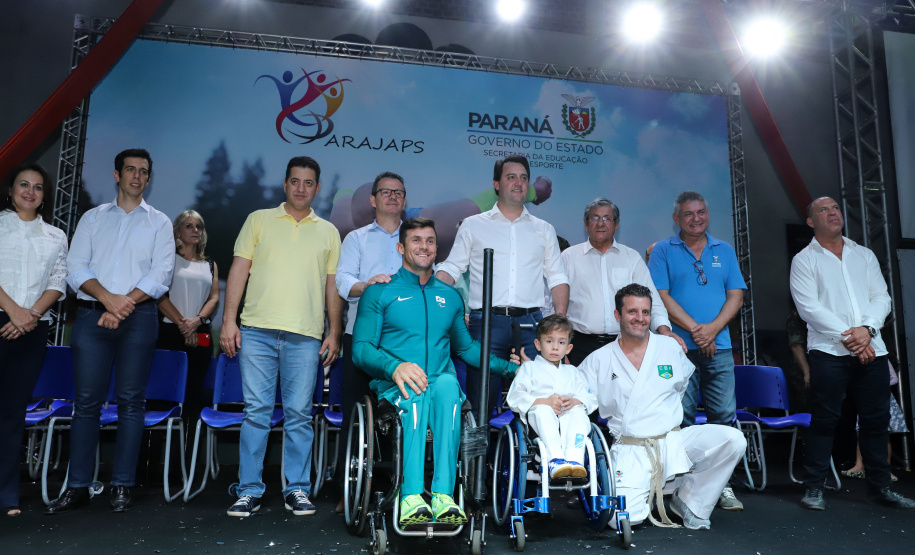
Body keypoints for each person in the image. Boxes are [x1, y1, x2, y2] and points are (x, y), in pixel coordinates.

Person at [353, 217, 518, 527]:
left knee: (446, 387)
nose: (423, 246)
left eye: (429, 240)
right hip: (395, 383)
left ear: (436, 249)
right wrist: (395, 366)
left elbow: (467, 349)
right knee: (415, 390)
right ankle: (411, 496)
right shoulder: (379, 293)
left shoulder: (450, 296)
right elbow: (361, 349)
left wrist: (511, 370)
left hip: (439, 380)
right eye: (416, 240)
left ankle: (443, 495)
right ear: (401, 247)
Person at [49, 149, 175, 514]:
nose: (137, 176)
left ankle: (121, 485)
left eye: (144, 172)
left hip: (139, 319)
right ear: (117, 175)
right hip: (91, 318)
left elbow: (160, 274)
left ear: (148, 179)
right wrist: (108, 300)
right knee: (85, 404)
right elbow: (75, 268)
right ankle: (77, 486)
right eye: (131, 170)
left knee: (131, 402)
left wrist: (122, 306)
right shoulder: (92, 218)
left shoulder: (160, 223)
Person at [220, 156, 342, 518]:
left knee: (300, 415)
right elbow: (238, 272)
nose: (301, 188)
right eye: (295, 181)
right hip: (256, 332)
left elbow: (332, 287)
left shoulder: (329, 232)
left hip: (305, 337)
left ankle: (297, 489)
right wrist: (229, 322)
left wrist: (334, 331)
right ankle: (249, 491)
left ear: (317, 188)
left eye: (308, 183)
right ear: (285, 184)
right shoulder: (258, 220)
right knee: (256, 413)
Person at [578, 284, 746, 530]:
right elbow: (577, 396)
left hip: (673, 441)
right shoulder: (598, 360)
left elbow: (680, 387)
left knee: (732, 439)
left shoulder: (669, 348)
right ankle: (645, 489)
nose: (640, 318)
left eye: (645, 312)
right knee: (621, 519)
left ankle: (690, 502)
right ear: (618, 315)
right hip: (631, 449)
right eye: (632, 312)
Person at [789, 196, 915, 511]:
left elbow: (881, 297)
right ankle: (814, 488)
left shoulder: (864, 254)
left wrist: (867, 330)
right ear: (810, 221)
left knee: (875, 421)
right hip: (830, 352)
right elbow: (809, 309)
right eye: (823, 210)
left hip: (873, 348)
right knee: (825, 419)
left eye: (835, 208)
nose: (833, 213)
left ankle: (880, 489)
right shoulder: (805, 260)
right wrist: (853, 337)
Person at [436, 155, 569, 416]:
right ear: (496, 184)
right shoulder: (474, 224)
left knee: (541, 397)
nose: (518, 183)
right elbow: (452, 268)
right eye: (511, 177)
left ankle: (534, 455)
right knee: (481, 401)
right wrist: (427, 297)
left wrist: (559, 322)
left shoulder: (544, 229)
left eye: (523, 178)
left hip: (532, 324)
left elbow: (557, 278)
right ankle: (479, 456)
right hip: (486, 323)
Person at [647, 190, 746, 511]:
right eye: (688, 214)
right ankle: (684, 486)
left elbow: (736, 296)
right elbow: (660, 297)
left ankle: (722, 486)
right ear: (676, 218)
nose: (696, 218)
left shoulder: (724, 250)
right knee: (682, 419)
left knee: (723, 419)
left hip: (719, 348)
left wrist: (712, 330)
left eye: (701, 212)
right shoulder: (662, 250)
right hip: (678, 349)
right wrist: (695, 331)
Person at [333, 171, 405, 513]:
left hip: (404, 344)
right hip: (362, 340)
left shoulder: (416, 238)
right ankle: (350, 493)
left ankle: (400, 489)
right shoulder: (357, 239)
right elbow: (343, 282)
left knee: (403, 417)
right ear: (373, 199)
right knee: (355, 416)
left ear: (404, 200)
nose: (392, 197)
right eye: (385, 192)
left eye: (398, 193)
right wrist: (369, 285)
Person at [0, 163, 68, 516]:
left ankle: (7, 496)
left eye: (38, 187)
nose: (30, 191)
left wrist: (30, 317)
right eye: (23, 185)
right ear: (10, 190)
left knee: (12, 414)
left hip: (32, 328)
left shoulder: (56, 236)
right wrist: (14, 311)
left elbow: (58, 282)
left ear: (45, 196)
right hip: (4, 317)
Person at [562, 198, 685, 365]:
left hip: (625, 345)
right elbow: (553, 307)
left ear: (616, 225)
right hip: (579, 346)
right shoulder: (568, 258)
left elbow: (652, 300)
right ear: (586, 224)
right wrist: (559, 346)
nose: (600, 223)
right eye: (595, 218)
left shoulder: (631, 257)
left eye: (607, 218)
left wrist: (664, 330)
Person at [506, 315, 596, 479]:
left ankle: (575, 459)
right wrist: (545, 402)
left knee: (578, 412)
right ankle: (555, 459)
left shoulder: (572, 372)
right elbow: (516, 396)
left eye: (561, 343)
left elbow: (589, 397)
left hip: (568, 421)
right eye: (549, 341)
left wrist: (574, 401)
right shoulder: (530, 368)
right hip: (538, 426)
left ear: (568, 348)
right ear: (538, 344)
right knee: (543, 410)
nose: (555, 347)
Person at [155, 210, 220, 422]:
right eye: (189, 226)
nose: (195, 231)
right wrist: (183, 324)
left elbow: (214, 298)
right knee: (162, 396)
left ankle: (186, 451)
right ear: (177, 232)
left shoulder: (210, 265)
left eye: (199, 227)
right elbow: (158, 296)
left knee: (194, 396)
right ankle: (156, 452)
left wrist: (196, 321)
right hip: (168, 333)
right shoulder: (167, 260)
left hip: (199, 333)